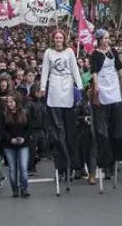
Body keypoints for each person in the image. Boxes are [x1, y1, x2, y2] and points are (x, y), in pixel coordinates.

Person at [40, 30, 83, 183]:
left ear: (64, 39)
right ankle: (61, 165)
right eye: (56, 37)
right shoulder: (48, 52)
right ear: (53, 39)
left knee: (69, 133)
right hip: (54, 91)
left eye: (60, 37)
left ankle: (72, 165)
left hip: (67, 90)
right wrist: (43, 88)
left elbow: (74, 69)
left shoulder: (70, 51)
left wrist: (80, 86)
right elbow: (45, 70)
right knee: (58, 133)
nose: (58, 40)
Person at [90, 29, 122, 180]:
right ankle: (104, 162)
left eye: (108, 38)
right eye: (105, 38)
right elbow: (94, 72)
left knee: (116, 130)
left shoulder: (113, 52)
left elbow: (119, 67)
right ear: (99, 40)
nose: (107, 40)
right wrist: (96, 85)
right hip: (102, 92)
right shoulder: (95, 54)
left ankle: (114, 159)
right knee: (102, 132)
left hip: (114, 91)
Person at [0, 94, 31, 198]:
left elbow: (29, 128)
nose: (9, 104)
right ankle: (14, 188)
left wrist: (24, 138)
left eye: (11, 102)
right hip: (9, 145)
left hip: (23, 144)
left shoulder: (24, 113)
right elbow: (3, 130)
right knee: (12, 168)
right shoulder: (4, 114)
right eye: (8, 102)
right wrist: (10, 139)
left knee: (23, 167)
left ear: (16, 102)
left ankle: (24, 188)